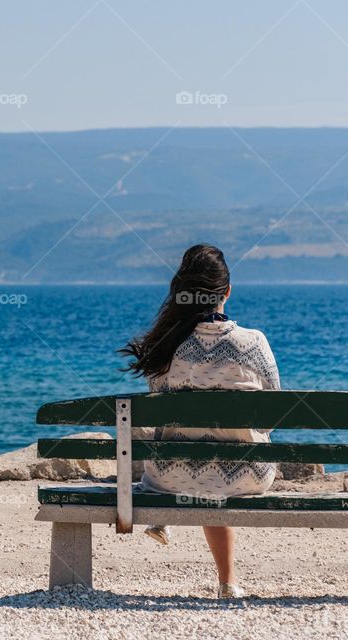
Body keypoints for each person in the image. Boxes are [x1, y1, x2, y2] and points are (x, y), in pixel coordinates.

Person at [119, 244, 280, 599]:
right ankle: (227, 582)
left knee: (196, 457)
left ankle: (163, 519)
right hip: (247, 476)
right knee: (218, 460)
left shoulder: (167, 345)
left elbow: (159, 402)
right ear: (227, 292)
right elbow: (271, 414)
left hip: (170, 476)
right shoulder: (253, 343)